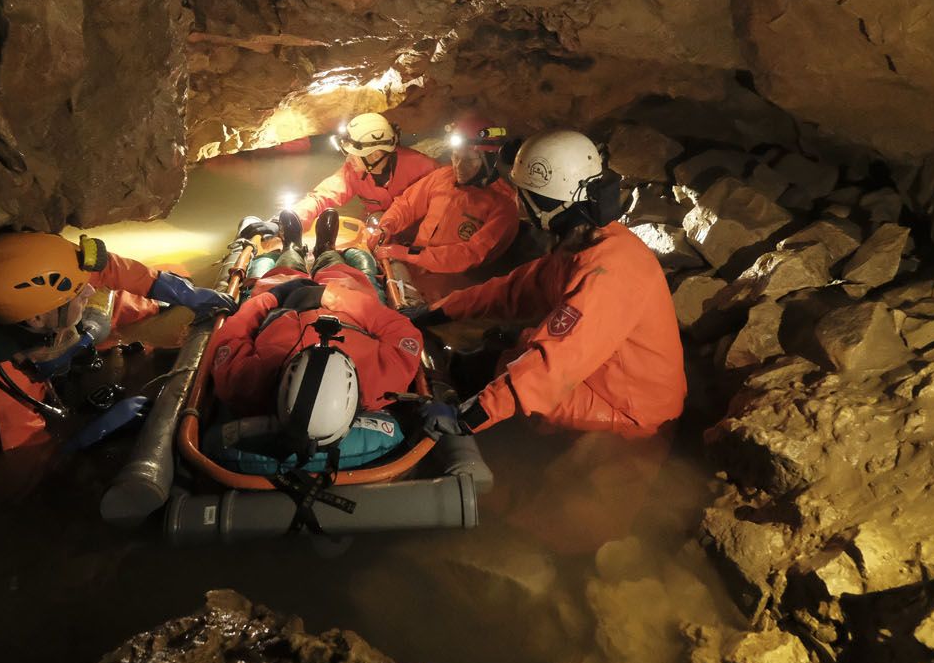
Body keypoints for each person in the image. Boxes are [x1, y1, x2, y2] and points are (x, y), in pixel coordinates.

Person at [405, 130, 686, 438]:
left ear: (544, 201)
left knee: (519, 381)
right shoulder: (586, 243)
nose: (515, 200)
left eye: (521, 192)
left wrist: (466, 419)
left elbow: (553, 364)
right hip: (605, 374)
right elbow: (513, 291)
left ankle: (512, 458)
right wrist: (436, 311)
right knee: (501, 348)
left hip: (631, 409)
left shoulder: (610, 272)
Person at [0, 231, 236, 452]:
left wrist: (180, 292)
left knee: (134, 296)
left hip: (54, 332)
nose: (89, 291)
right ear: (37, 318)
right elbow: (27, 464)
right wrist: (90, 433)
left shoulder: (41, 287)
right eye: (77, 292)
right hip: (29, 376)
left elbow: (107, 269)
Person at [207, 209, 424, 429]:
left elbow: (231, 333)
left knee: (284, 270)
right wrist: (333, 296)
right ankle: (326, 250)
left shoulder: (244, 384)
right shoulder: (383, 380)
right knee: (338, 269)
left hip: (283, 305)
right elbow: (400, 329)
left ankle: (291, 247)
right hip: (348, 304)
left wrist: (271, 299)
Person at [369, 112, 519, 279]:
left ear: (490, 161)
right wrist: (385, 227)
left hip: (454, 287)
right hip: (414, 271)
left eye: (469, 159)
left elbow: (471, 254)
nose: (459, 166)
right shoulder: (444, 177)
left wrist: (408, 254)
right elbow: (406, 204)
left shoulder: (504, 206)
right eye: (455, 156)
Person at [289, 112, 437, 229]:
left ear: (376, 154)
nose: (349, 159)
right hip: (377, 226)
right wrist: (290, 218)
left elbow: (448, 198)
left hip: (417, 231)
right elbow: (322, 196)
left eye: (354, 154)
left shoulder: (423, 168)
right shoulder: (354, 171)